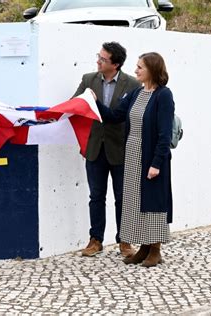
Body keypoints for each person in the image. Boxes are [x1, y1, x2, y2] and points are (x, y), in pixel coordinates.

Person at [93, 52, 174, 267]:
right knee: (136, 201)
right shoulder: (137, 92)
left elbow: (164, 134)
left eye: (140, 67)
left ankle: (155, 249)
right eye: (137, 66)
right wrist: (95, 103)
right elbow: (115, 116)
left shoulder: (163, 95)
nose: (136, 70)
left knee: (153, 202)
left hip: (151, 156)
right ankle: (144, 248)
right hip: (132, 155)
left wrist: (156, 163)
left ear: (153, 71)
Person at [73, 42, 141, 257]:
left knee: (122, 197)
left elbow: (132, 116)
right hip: (94, 148)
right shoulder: (88, 80)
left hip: (120, 149)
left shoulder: (132, 84)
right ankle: (95, 240)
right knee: (96, 196)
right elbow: (74, 105)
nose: (98, 61)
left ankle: (124, 241)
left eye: (103, 59)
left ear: (116, 64)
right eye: (98, 57)